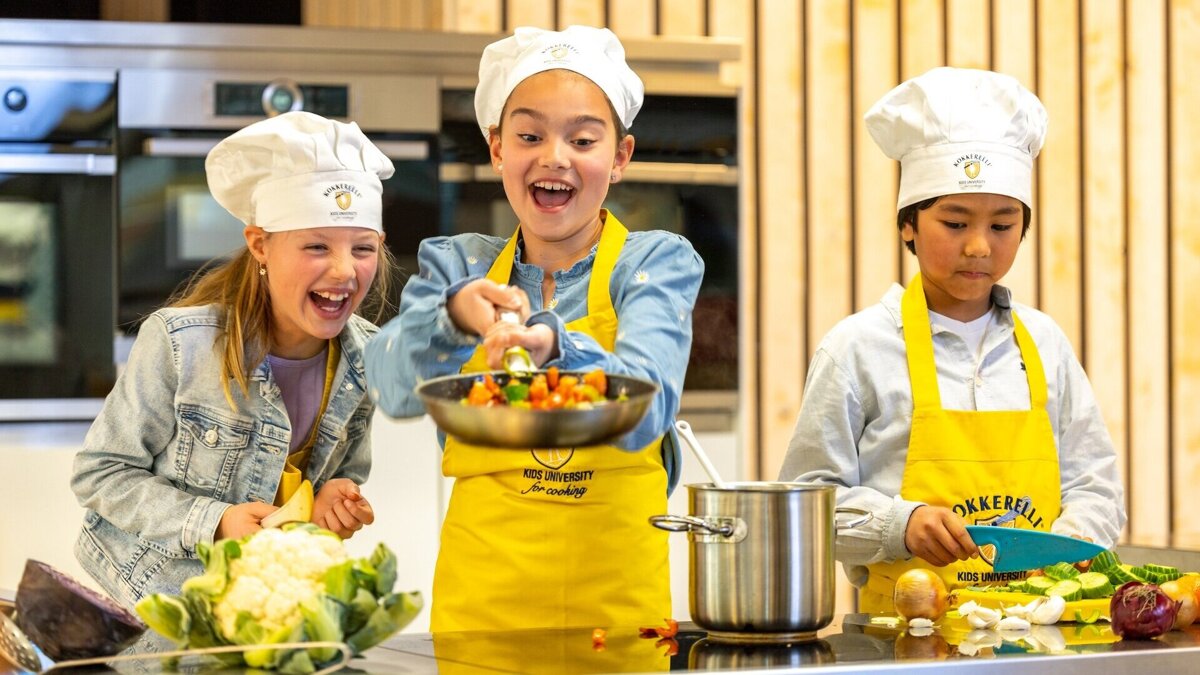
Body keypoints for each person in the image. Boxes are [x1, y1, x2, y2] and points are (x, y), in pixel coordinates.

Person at [366, 25, 704, 632]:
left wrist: (554, 345)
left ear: (619, 157)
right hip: (483, 617)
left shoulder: (654, 263)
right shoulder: (458, 264)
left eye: (583, 139)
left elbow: (647, 408)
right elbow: (389, 384)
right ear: (497, 149)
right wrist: (452, 317)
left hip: (617, 621)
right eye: (529, 136)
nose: (554, 157)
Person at [777, 67, 1126, 612]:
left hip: (1039, 633)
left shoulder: (1046, 344)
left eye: (1002, 226)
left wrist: (1069, 546)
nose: (979, 247)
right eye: (956, 224)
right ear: (908, 225)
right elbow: (805, 504)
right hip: (902, 638)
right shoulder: (856, 349)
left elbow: (1096, 484)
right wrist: (900, 524)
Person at [72, 111, 396, 611]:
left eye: (362, 249)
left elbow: (334, 480)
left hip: (262, 607)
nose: (344, 271)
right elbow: (101, 474)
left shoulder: (366, 358)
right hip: (158, 608)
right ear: (260, 245)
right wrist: (216, 522)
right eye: (316, 246)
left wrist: (330, 501)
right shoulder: (181, 345)